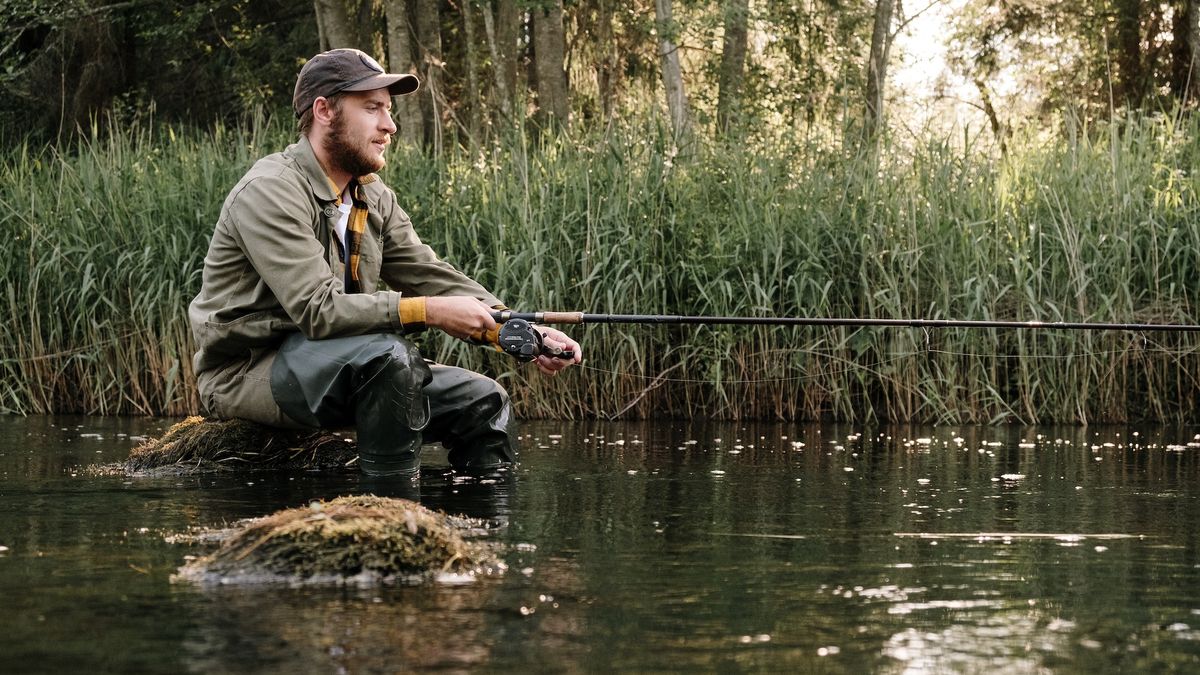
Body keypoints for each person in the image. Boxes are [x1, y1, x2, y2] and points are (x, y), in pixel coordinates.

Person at [188, 48, 581, 477]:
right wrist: (430, 313)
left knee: (484, 400)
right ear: (324, 110)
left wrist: (517, 329)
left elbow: (429, 275)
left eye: (389, 110)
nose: (389, 126)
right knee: (389, 358)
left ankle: (478, 537)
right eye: (373, 108)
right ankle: (390, 514)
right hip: (246, 372)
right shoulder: (270, 191)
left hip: (345, 364)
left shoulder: (372, 196)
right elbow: (318, 310)